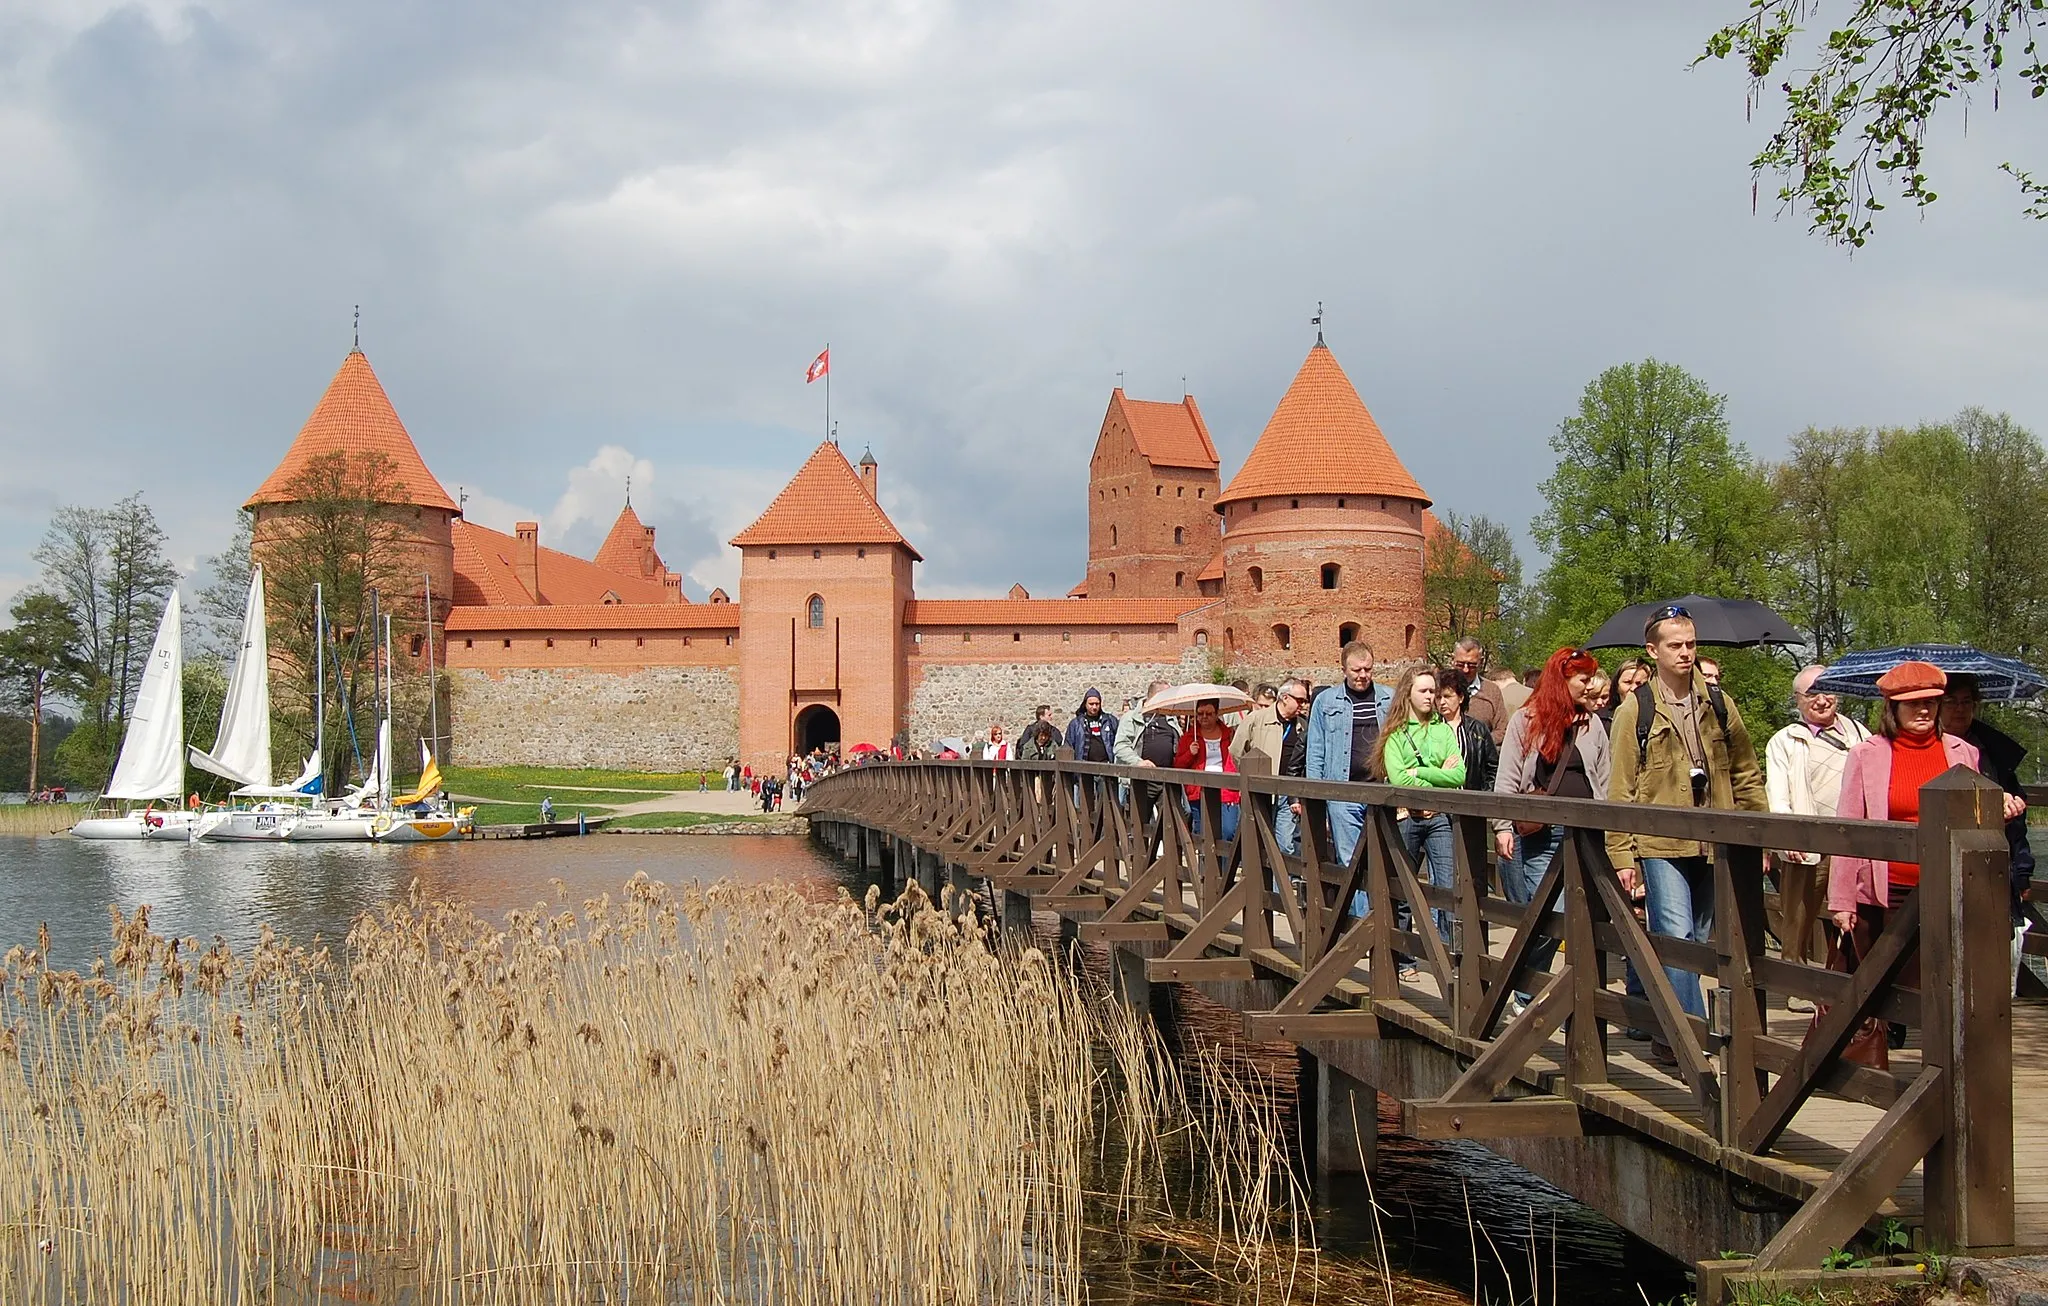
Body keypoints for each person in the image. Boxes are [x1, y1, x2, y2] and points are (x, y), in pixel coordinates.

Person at [1607, 605, 1768, 1049]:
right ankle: (1694, 1040)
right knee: (1675, 936)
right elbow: (1620, 788)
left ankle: (1668, 1029)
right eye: (1675, 645)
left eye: (1691, 644)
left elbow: (1745, 772)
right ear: (1652, 650)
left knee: (1698, 940)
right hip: (1660, 841)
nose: (1685, 653)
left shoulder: (1718, 702)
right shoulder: (1635, 710)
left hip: (1715, 839)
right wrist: (1622, 853)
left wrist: (1761, 834)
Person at [1830, 662, 1981, 1045]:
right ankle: (1875, 1059)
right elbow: (1848, 831)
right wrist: (1842, 899)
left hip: (1944, 887)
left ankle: (1944, 1063)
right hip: (1885, 890)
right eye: (1913, 704)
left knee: (1944, 982)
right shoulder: (1866, 755)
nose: (1924, 711)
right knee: (1880, 986)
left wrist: (2004, 804)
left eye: (1931, 702)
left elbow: (1978, 817)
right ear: (1892, 708)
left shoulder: (1964, 753)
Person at [1492, 646, 1611, 1007]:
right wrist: (1502, 826)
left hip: (1587, 834)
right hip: (1543, 835)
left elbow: (1604, 779)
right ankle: (1526, 990)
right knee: (1550, 914)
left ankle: (1580, 997)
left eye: (1591, 678)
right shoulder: (1526, 720)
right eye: (1583, 679)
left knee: (1586, 915)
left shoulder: (1591, 724)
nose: (1589, 686)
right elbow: (1508, 777)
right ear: (1562, 680)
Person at [1765, 665, 1872, 981]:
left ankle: (1855, 981)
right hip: (1808, 842)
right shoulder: (1785, 740)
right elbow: (1778, 794)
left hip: (1853, 841)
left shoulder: (1859, 733)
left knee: (1859, 914)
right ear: (1797, 700)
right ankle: (1796, 984)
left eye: (1828, 692)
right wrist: (1788, 837)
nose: (1822, 700)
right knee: (1798, 917)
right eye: (1811, 694)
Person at [1938, 672, 2033, 992]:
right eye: (1950, 702)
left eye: (1967, 702)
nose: (1959, 709)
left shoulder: (1992, 751)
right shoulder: (1923, 747)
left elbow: (2018, 822)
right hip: (1936, 867)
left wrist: (2021, 875)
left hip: (1991, 866)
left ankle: (1985, 1026)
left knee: (1993, 950)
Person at [1376, 664, 1465, 956]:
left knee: (1448, 888)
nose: (1432, 697)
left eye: (1434, 691)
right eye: (1424, 691)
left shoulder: (1443, 730)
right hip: (1406, 817)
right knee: (1403, 889)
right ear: (1408, 694)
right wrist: (1436, 772)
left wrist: (1419, 773)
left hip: (1439, 817)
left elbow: (1459, 775)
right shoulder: (1396, 734)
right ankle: (1404, 959)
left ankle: (1451, 957)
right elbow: (1399, 779)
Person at [1306, 642, 1393, 903]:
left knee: (1384, 860)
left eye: (1368, 669)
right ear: (1343, 669)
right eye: (1356, 670)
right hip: (1342, 793)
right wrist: (1315, 799)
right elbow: (1316, 751)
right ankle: (1362, 926)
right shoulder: (1326, 701)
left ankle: (1381, 925)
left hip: (1382, 791)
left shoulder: (1389, 698)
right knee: (1350, 862)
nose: (1363, 675)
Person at [1233, 676, 1311, 853]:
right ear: (1285, 698)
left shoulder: (1302, 726)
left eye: (1306, 701)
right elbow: (1236, 750)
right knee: (1257, 842)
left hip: (1287, 792)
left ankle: (1282, 881)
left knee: (1285, 845)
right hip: (1261, 790)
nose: (1304, 704)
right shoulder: (1256, 719)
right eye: (1300, 700)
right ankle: (1259, 881)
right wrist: (1247, 777)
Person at [1173, 699, 1241, 841]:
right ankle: (1204, 863)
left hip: (1226, 788)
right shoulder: (1189, 737)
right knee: (1203, 833)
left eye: (1209, 713)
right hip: (1199, 789)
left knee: (1228, 831)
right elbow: (1178, 765)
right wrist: (1190, 753)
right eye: (1200, 713)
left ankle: (1225, 864)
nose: (1204, 717)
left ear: (1217, 714)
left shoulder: (1230, 735)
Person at [1437, 670, 1499, 795]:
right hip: (1439, 802)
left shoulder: (1478, 729)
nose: (1442, 702)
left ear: (1461, 697)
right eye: (1438, 697)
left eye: (1447, 696)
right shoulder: (1431, 728)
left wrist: (1484, 796)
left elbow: (1492, 767)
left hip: (1471, 802)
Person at [1451, 637, 1510, 744]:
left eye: (1472, 665)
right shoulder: (1440, 689)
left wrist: (1479, 744)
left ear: (1481, 662)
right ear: (1453, 660)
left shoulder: (1492, 691)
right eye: (1460, 664)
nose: (1466, 670)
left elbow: (1502, 730)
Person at [1064, 689, 1119, 764]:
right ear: (1085, 704)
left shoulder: (1110, 721)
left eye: (1097, 704)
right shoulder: (1076, 724)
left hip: (1107, 766)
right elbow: (1068, 746)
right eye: (1091, 704)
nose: (1094, 707)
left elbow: (1118, 743)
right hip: (1084, 767)